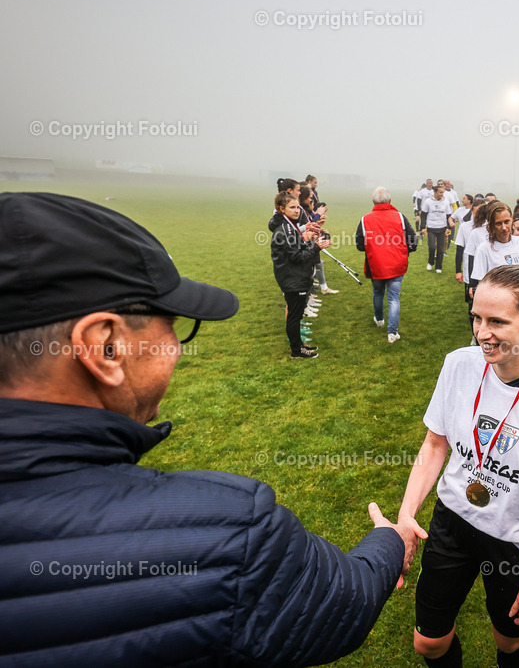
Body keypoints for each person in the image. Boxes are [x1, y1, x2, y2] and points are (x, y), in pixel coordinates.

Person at [0, 192, 419, 666]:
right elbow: (343, 603)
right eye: (173, 326)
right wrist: (389, 541)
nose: (177, 350)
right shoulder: (224, 533)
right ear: (106, 349)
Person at [397, 264, 519, 668]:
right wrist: (405, 515)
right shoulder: (459, 365)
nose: (481, 333)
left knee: (508, 643)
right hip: (452, 521)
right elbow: (435, 444)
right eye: (477, 318)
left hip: (515, 541)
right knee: (428, 644)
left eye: (497, 322)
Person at [269, 191, 331, 359]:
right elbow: (296, 257)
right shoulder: (285, 229)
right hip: (292, 278)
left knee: (296, 315)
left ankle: (299, 346)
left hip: (294, 277)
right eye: (292, 207)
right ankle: (296, 350)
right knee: (294, 317)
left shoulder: (291, 225)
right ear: (281, 209)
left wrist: (306, 240)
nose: (296, 211)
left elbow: (296, 250)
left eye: (297, 207)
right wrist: (316, 247)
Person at [355, 187, 418, 343]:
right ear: (390, 201)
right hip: (397, 264)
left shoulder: (365, 219)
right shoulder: (400, 217)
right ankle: (392, 333)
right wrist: (405, 251)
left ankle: (379, 319)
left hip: (375, 264)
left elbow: (359, 244)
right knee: (394, 298)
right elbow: (412, 241)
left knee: (377, 292)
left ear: (373, 201)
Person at [469, 201, 519, 287]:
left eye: (506, 222)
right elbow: (482, 285)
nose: (504, 228)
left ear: (512, 219)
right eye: (498, 223)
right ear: (491, 225)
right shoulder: (484, 249)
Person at [422, 183, 452, 274]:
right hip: (431, 227)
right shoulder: (428, 201)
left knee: (440, 249)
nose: (442, 194)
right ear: (435, 192)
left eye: (443, 192)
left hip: (442, 228)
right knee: (431, 247)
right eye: (440, 192)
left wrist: (448, 227)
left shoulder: (446, 202)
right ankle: (430, 262)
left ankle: (439, 266)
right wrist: (423, 227)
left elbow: (448, 215)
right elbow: (423, 215)